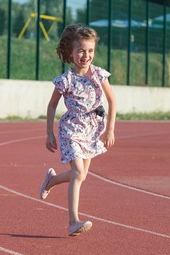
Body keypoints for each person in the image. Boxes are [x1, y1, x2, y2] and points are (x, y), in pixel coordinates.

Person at [39, 24, 116, 236]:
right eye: (81, 51)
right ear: (70, 52)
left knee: (80, 176)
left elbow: (112, 101)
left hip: (91, 130)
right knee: (79, 173)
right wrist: (49, 133)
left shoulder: (99, 75)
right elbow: (52, 105)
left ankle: (52, 180)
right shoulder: (65, 80)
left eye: (90, 51)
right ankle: (73, 221)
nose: (86, 55)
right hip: (71, 129)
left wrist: (110, 129)